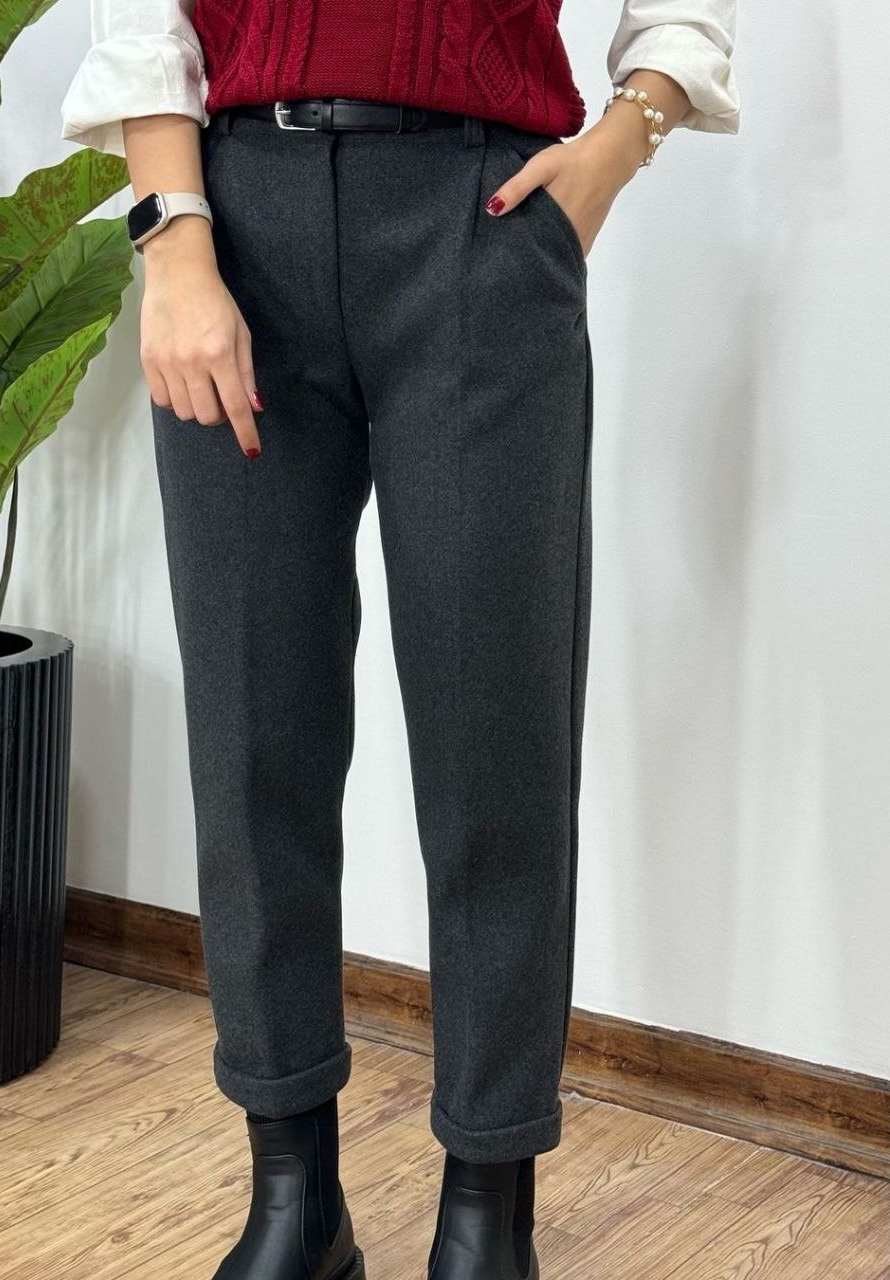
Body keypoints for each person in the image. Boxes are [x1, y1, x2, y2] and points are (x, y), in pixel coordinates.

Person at [61, 4, 739, 1277]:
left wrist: (615, 147)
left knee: (497, 743)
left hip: (483, 225)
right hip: (231, 219)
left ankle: (489, 1205)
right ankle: (294, 1199)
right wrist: (172, 240)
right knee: (252, 735)